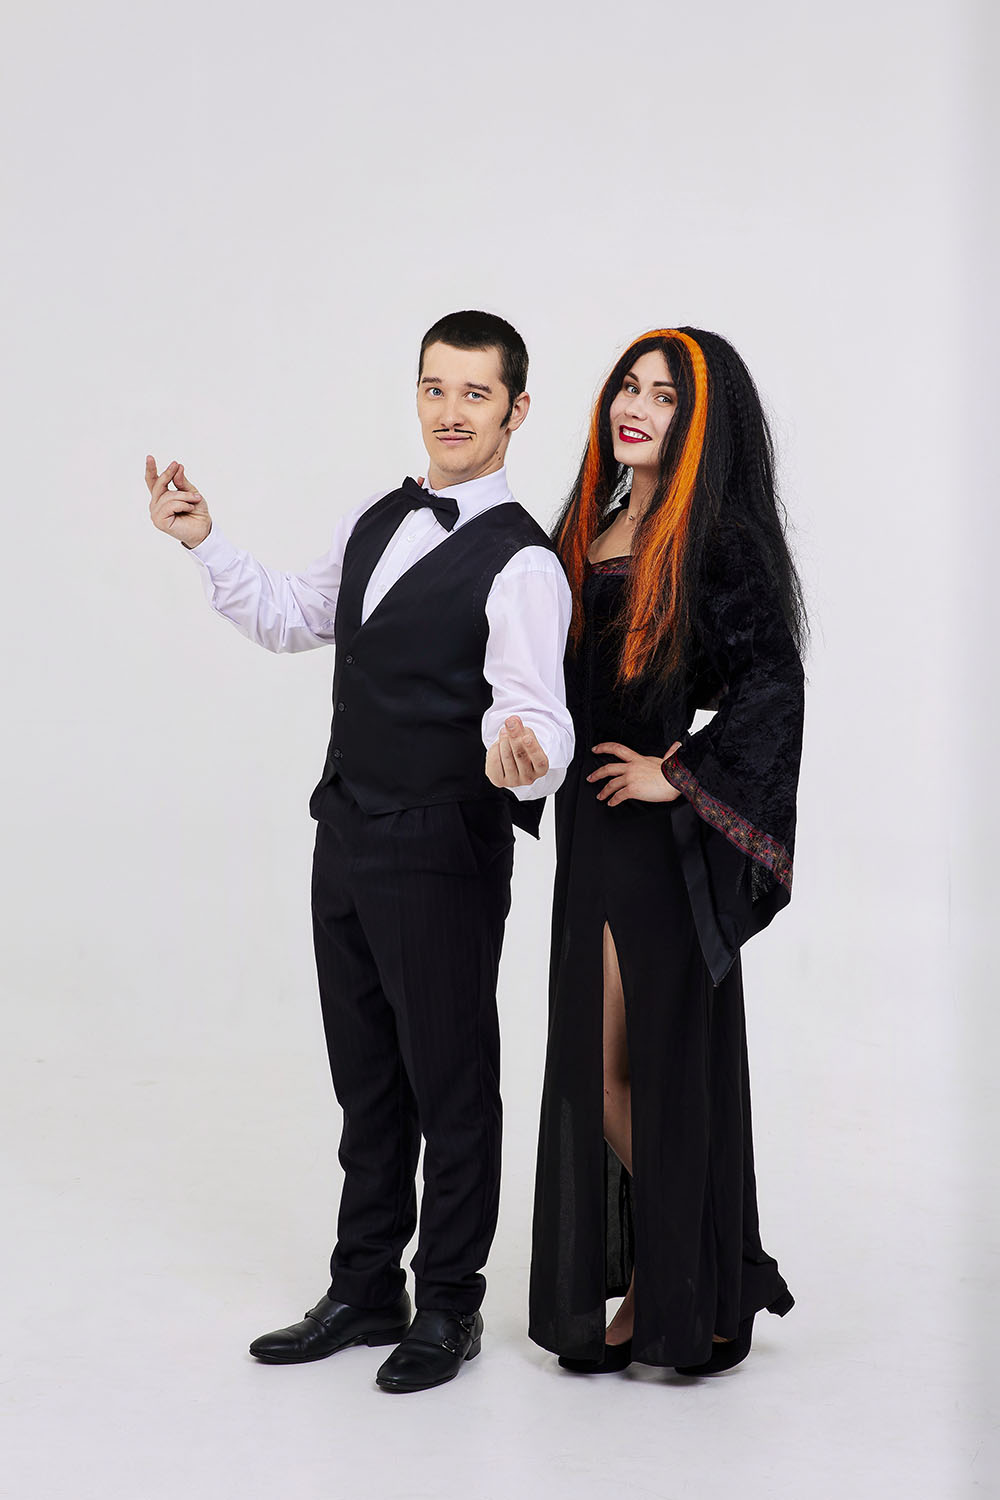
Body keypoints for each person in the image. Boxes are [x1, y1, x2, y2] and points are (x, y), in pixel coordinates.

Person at [146, 309, 574, 1394]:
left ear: (516, 410)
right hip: (344, 829)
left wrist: (522, 755)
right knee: (367, 1079)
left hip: (442, 843)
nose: (450, 412)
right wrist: (206, 541)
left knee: (452, 1082)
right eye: (435, 387)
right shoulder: (376, 516)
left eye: (475, 393)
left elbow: (536, 715)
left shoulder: (524, 563)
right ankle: (365, 1287)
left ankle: (451, 1305)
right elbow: (294, 617)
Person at [528, 327, 805, 1376]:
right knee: (597, 1068)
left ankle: (698, 1271)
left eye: (663, 397)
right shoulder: (585, 527)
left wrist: (675, 772)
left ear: (701, 424)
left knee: (630, 1065)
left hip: (654, 841)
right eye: (627, 388)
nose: (634, 408)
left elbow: (772, 687)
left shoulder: (715, 541)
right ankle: (683, 1271)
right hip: (587, 830)